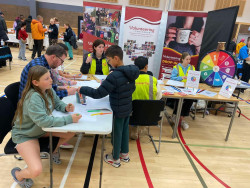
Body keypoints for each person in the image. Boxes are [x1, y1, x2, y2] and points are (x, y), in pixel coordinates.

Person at [11, 65, 82, 187]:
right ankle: (18, 174)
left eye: (50, 77)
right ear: (35, 82)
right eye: (47, 78)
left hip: (40, 129)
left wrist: (65, 107)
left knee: (70, 132)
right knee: (36, 170)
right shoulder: (33, 97)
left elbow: (56, 102)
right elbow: (44, 121)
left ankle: (50, 150)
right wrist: (69, 118)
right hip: (26, 135)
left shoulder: (48, 89)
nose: (51, 80)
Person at [77, 45, 140, 168]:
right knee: (124, 131)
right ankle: (124, 155)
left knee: (117, 133)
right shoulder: (131, 72)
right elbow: (131, 89)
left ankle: (115, 159)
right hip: (127, 107)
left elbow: (98, 93)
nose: (109, 63)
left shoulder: (114, 75)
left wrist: (82, 89)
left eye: (109, 60)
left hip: (117, 109)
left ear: (116, 58)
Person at [130, 56, 162, 139]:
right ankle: (141, 128)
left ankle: (134, 129)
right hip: (149, 115)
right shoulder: (153, 80)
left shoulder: (130, 79)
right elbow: (159, 97)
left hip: (131, 114)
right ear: (146, 67)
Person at [170, 52, 195, 130]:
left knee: (190, 100)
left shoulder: (192, 68)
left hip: (188, 88)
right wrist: (181, 77)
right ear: (182, 59)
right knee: (179, 99)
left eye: (189, 59)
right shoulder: (176, 67)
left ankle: (181, 118)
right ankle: (176, 116)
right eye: (187, 59)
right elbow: (172, 78)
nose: (188, 61)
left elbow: (194, 78)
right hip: (178, 88)